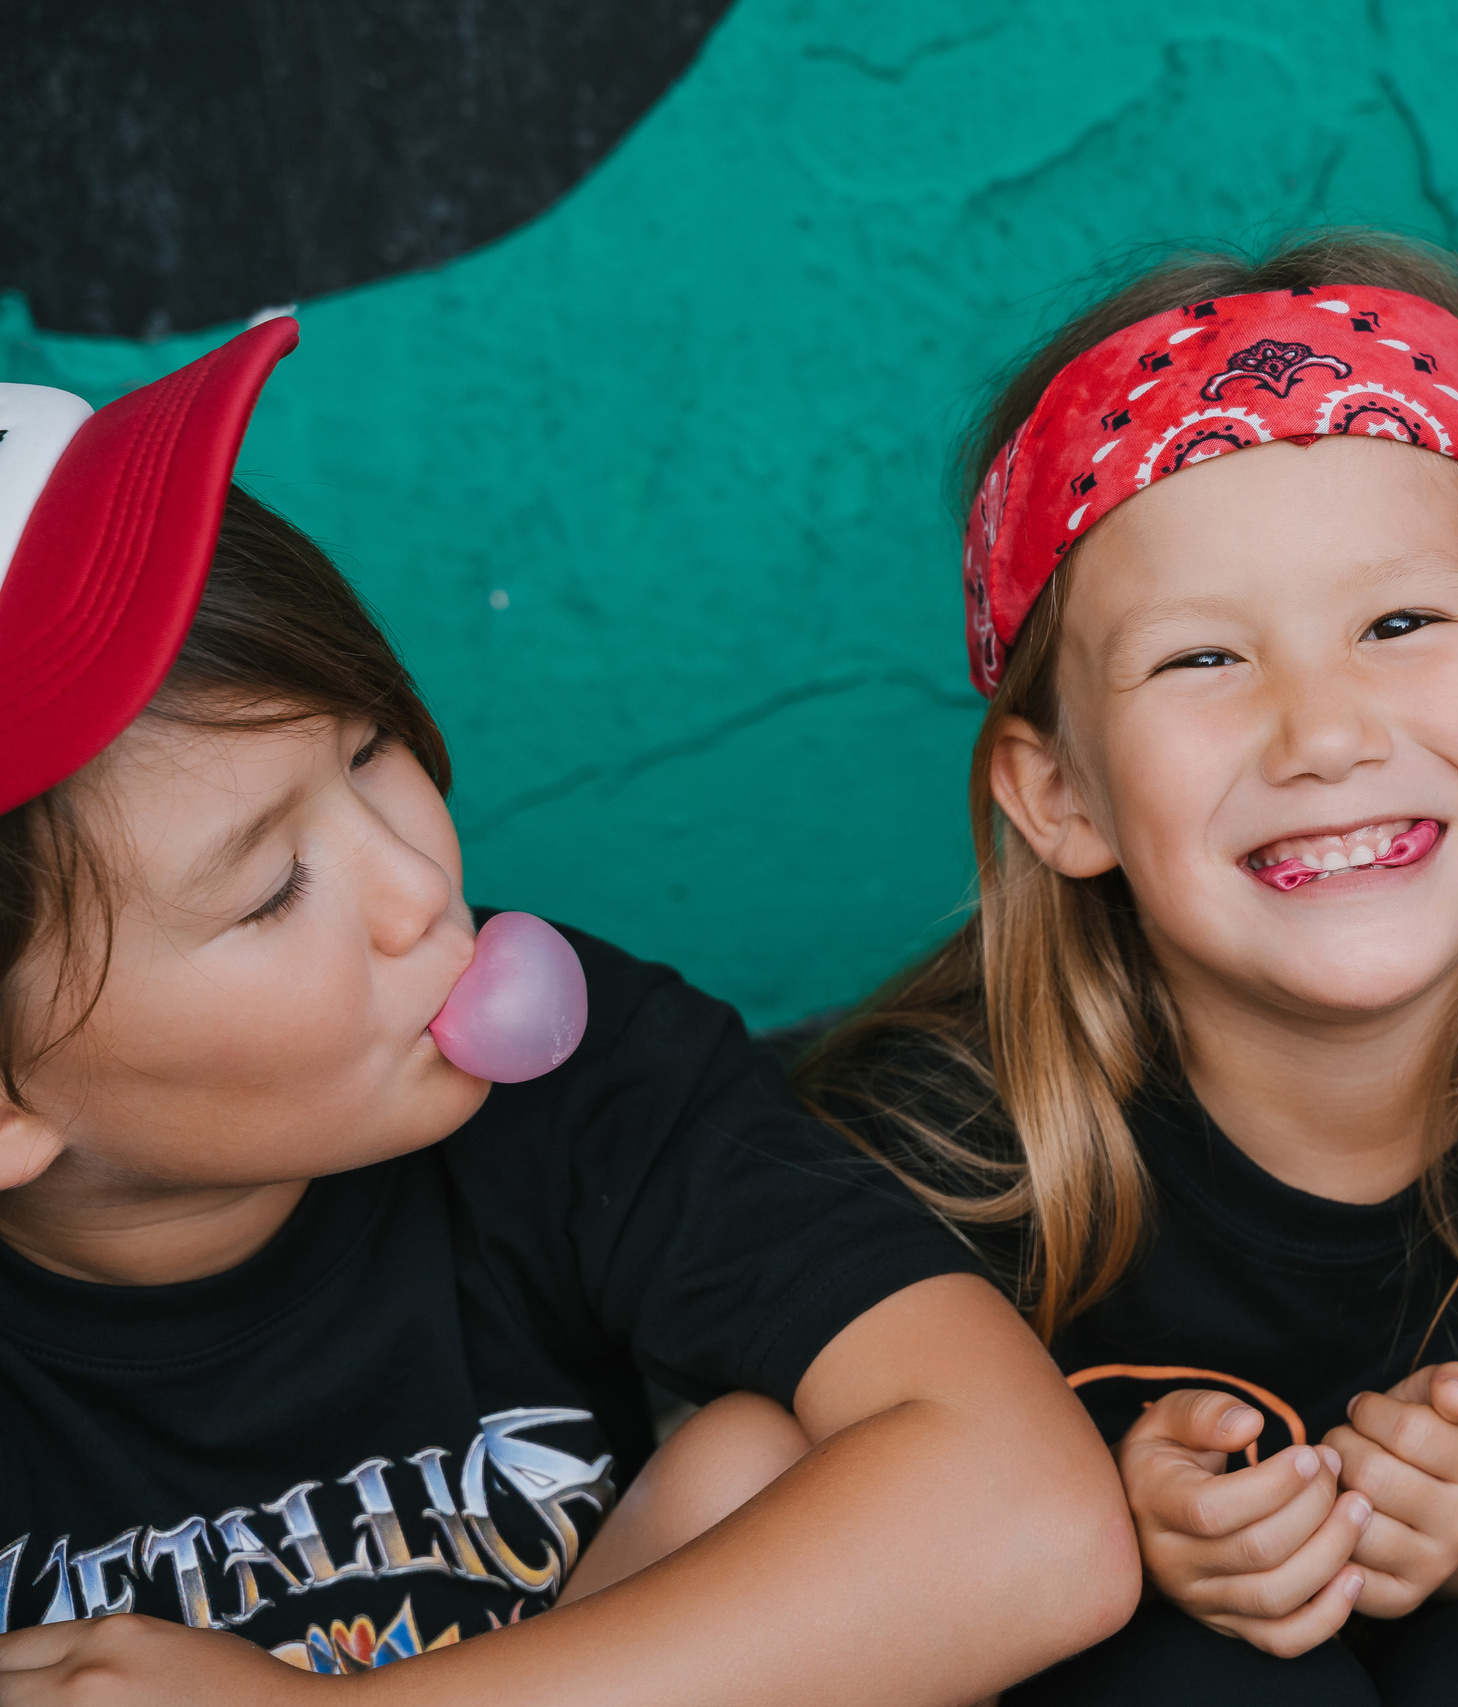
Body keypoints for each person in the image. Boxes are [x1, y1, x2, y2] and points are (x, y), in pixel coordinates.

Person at [0, 322, 1138, 1703]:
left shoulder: (584, 1080)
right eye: (272, 889)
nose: (420, 884)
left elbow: (1033, 1523)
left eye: (368, 752)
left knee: (757, 1463)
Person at [794, 232, 1458, 1706]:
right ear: (1063, 799)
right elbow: (803, 1555)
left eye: (1400, 624)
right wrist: (1112, 1528)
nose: (1324, 732)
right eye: (1204, 662)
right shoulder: (936, 1146)